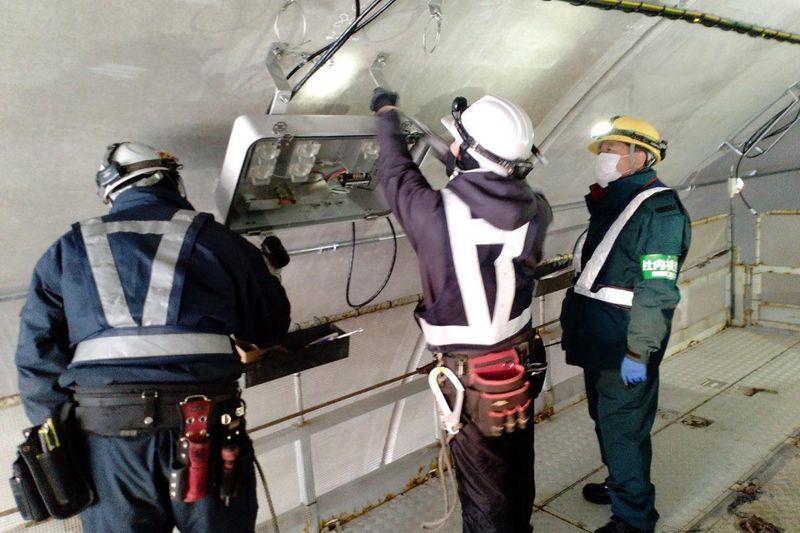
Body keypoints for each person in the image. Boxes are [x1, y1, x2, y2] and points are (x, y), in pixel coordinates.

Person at [15, 142, 291, 532]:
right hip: (207, 427)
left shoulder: (67, 250)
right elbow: (269, 326)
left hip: (107, 443)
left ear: (111, 191)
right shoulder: (220, 241)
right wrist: (270, 275)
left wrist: (55, 438)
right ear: (171, 181)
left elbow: (37, 356)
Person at [370, 88, 552, 533]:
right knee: (515, 470)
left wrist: (385, 112)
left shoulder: (436, 215)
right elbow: (493, 193)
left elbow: (395, 172)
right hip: (521, 362)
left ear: (469, 153)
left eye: (457, 141)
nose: (451, 145)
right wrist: (464, 165)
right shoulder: (538, 210)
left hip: (473, 380)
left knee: (485, 492)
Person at [560, 116, 691, 533]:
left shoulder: (660, 213)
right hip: (598, 337)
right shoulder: (614, 201)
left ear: (641, 156)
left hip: (626, 343)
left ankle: (634, 519)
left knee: (624, 430)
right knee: (606, 420)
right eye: (602, 149)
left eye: (612, 149)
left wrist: (639, 351)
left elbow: (657, 290)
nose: (603, 156)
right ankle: (621, 483)